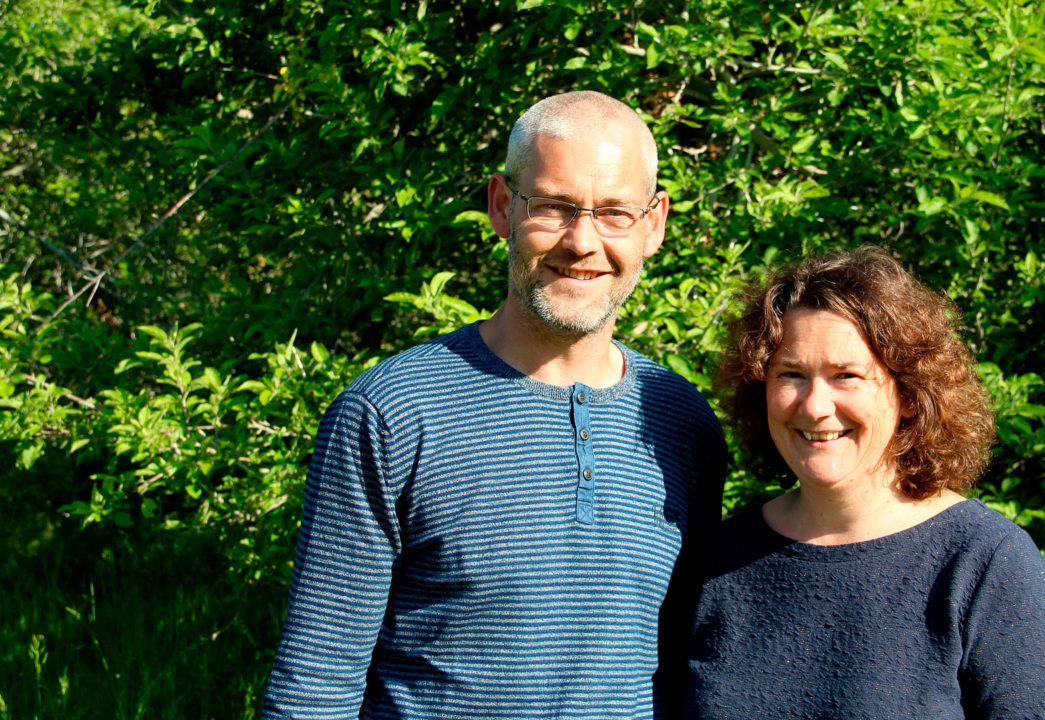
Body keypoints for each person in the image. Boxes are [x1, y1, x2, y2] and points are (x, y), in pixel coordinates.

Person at [262, 90, 726, 720]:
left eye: (614, 212)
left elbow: (687, 670)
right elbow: (315, 684)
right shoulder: (391, 414)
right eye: (555, 207)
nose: (582, 242)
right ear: (503, 206)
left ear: (654, 224)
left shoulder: (681, 423)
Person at [685, 246, 1045, 719]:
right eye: (791, 374)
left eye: (846, 376)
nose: (814, 406)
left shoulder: (985, 564)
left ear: (909, 394)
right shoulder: (717, 561)